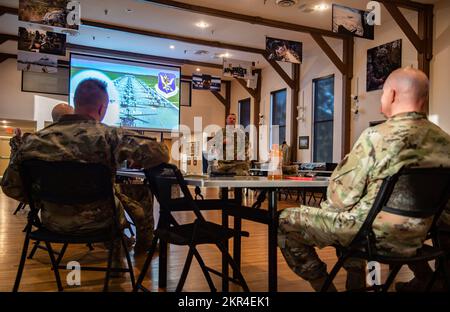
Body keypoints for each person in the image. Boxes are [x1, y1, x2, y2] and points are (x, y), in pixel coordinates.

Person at [278, 67, 450, 291]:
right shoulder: (445, 142)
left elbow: (340, 199)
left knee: (285, 220)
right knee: (358, 215)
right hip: (417, 237)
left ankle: (324, 287)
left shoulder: (375, 137)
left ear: (393, 95)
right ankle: (427, 280)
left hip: (371, 237)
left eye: (383, 93)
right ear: (424, 98)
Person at [1, 78, 169, 260]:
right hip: (100, 223)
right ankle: (143, 246)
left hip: (51, 223)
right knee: (140, 192)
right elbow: (160, 154)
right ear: (101, 108)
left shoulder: (33, 141)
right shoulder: (110, 135)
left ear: (76, 103)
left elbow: (10, 186)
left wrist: (43, 199)